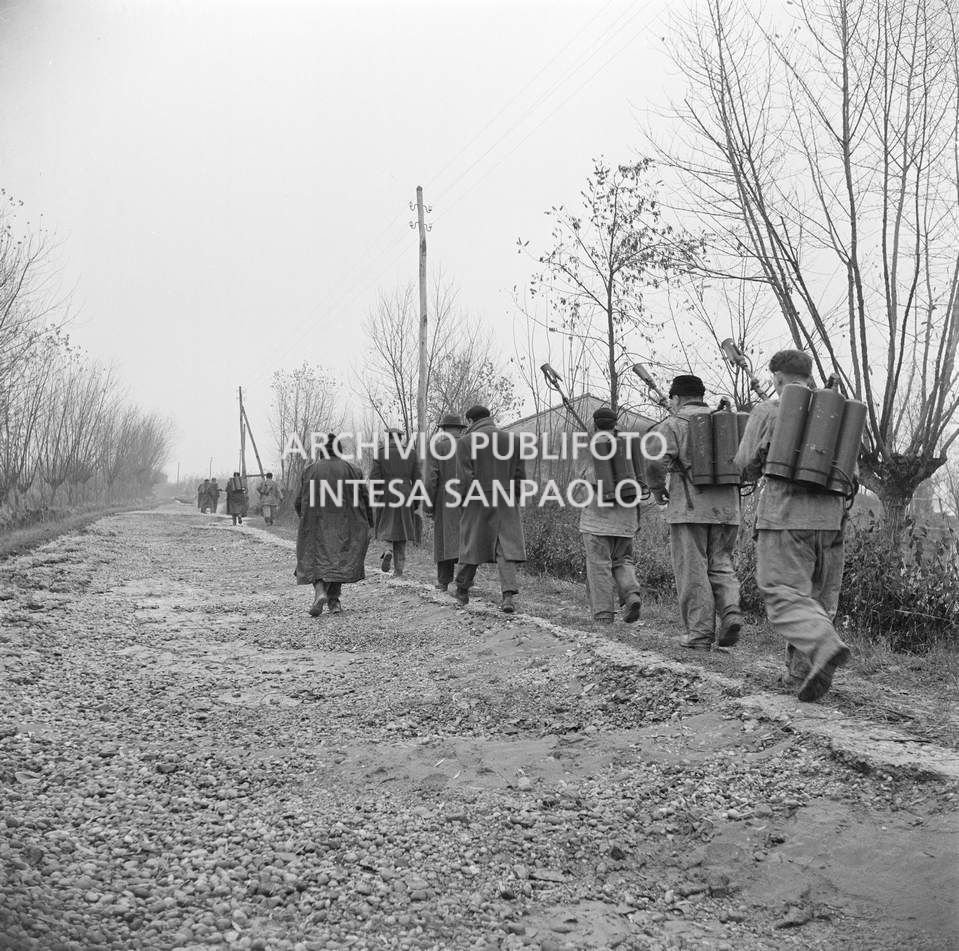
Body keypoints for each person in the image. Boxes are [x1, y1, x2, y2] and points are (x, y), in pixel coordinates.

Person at [734, 349, 851, 701]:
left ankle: (823, 644)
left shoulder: (770, 409)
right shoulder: (837, 414)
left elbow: (744, 464)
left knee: (783, 595)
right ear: (809, 374)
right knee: (815, 598)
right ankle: (801, 673)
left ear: (778, 377)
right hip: (831, 522)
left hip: (784, 518)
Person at [645, 375, 742, 651]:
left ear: (676, 398)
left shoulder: (673, 424)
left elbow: (654, 462)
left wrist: (657, 489)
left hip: (689, 509)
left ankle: (699, 634)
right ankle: (731, 610)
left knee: (692, 569)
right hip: (727, 509)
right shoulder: (726, 423)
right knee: (721, 563)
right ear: (701, 396)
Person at [454, 405, 527, 613]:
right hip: (506, 498)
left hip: (477, 497)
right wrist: (515, 498)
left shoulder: (465, 442)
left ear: (470, 421)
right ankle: (508, 597)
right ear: (489, 418)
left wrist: (462, 502)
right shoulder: (512, 440)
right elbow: (520, 475)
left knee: (472, 546)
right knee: (506, 548)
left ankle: (462, 590)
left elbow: (464, 478)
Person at [575, 407, 643, 625]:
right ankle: (631, 594)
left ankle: (604, 615)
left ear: (595, 424)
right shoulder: (628, 444)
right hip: (626, 519)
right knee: (623, 560)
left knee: (599, 565)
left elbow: (583, 476)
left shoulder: (589, 445)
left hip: (597, 520)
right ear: (616, 423)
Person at [294, 434, 372, 616]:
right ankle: (334, 601)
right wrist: (370, 521)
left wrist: (303, 517)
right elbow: (365, 499)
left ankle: (320, 591)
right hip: (344, 524)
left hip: (315, 523)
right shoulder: (353, 470)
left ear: (322, 451)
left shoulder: (310, 470)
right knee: (339, 560)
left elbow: (299, 501)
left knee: (312, 559)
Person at [369, 428, 422, 578]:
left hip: (387, 491)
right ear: (401, 438)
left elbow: (374, 478)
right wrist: (416, 499)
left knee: (386, 524)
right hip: (406, 492)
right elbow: (418, 478)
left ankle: (388, 550)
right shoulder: (411, 453)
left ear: (388, 438)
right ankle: (398, 570)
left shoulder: (380, 453)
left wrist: (378, 495)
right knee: (403, 529)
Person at [424, 413, 466, 591]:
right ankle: (465, 581)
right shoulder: (472, 445)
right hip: (468, 497)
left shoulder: (437, 447)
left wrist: (428, 505)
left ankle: (443, 581)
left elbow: (430, 479)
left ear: (443, 429)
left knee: (444, 539)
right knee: (466, 538)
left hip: (445, 498)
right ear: (459, 429)